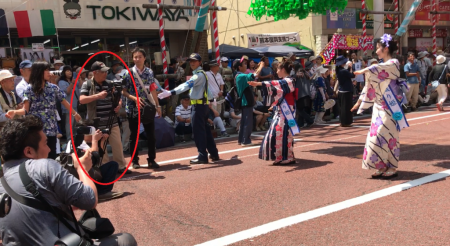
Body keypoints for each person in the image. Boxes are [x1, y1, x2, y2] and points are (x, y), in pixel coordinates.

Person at [0, 116, 137, 245]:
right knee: (126, 240)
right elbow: (90, 200)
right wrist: (82, 168)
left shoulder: (2, 183)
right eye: (45, 143)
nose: (49, 149)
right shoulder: (43, 166)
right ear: (29, 151)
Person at [352, 34, 406, 179]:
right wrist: (359, 101)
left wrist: (365, 70)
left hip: (391, 105)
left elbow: (377, 68)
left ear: (386, 48)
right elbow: (370, 85)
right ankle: (381, 165)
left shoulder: (394, 63)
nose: (376, 52)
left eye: (378, 48)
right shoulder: (379, 67)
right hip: (379, 106)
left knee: (388, 135)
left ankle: (392, 166)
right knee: (374, 136)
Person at [6, 61, 81, 159]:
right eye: (47, 70)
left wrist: (75, 114)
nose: (49, 72)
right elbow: (25, 110)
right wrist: (15, 112)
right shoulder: (29, 89)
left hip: (51, 130)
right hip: (36, 130)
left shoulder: (53, 88)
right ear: (39, 72)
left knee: (51, 156)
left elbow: (64, 101)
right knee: (38, 158)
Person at [159, 53, 219, 164]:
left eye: (194, 61)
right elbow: (207, 90)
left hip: (198, 107)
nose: (192, 63)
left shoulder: (197, 75)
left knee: (198, 132)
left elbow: (186, 85)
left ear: (200, 62)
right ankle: (214, 153)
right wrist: (211, 99)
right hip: (203, 106)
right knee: (205, 131)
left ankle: (202, 156)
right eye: (190, 61)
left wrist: (171, 92)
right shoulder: (202, 74)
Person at [80, 61, 128, 174]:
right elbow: (82, 99)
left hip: (112, 120)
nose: (105, 74)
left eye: (106, 71)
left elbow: (118, 97)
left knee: (117, 145)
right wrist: (98, 96)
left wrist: (119, 105)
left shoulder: (110, 83)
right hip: (96, 121)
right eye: (102, 72)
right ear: (95, 72)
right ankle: (105, 168)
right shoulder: (87, 84)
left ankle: (121, 166)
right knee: (102, 148)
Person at [248, 60, 298, 165]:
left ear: (283, 69)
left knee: (284, 133)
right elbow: (277, 91)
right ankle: (280, 156)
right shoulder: (285, 81)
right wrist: (273, 104)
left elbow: (276, 85)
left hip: (287, 110)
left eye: (277, 69)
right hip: (281, 110)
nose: (276, 71)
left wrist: (259, 83)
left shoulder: (290, 80)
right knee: (277, 133)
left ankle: (287, 156)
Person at [121, 48, 161, 170]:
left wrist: (157, 105)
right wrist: (134, 98)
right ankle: (135, 160)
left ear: (144, 58)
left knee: (151, 135)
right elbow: (123, 91)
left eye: (139, 57)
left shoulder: (149, 72)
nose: (137, 59)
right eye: (135, 57)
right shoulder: (128, 72)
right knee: (134, 136)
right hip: (133, 108)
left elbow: (153, 88)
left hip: (147, 107)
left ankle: (151, 160)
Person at [235, 56, 259, 146]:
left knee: (245, 121)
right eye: (244, 64)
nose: (246, 65)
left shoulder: (239, 76)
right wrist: (260, 67)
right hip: (246, 101)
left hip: (245, 101)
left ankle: (242, 139)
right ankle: (245, 140)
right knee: (247, 121)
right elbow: (253, 76)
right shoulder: (240, 76)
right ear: (239, 67)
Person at [336, 55, 356, 127]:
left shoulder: (339, 70)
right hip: (346, 90)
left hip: (342, 90)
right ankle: (346, 122)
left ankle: (343, 121)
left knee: (342, 108)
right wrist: (352, 67)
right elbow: (352, 75)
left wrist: (350, 67)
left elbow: (348, 73)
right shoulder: (343, 71)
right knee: (347, 107)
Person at [58, 65, 76, 138]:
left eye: (70, 70)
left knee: (74, 124)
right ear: (63, 72)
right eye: (67, 71)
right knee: (69, 124)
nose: (69, 72)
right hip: (68, 107)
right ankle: (69, 140)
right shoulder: (61, 82)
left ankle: (74, 139)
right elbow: (67, 92)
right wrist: (72, 83)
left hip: (75, 106)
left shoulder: (73, 81)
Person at [295, 61, 314, 128]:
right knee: (303, 109)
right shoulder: (306, 73)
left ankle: (310, 120)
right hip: (307, 93)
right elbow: (310, 80)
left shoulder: (298, 73)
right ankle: (300, 123)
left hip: (300, 93)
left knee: (299, 109)